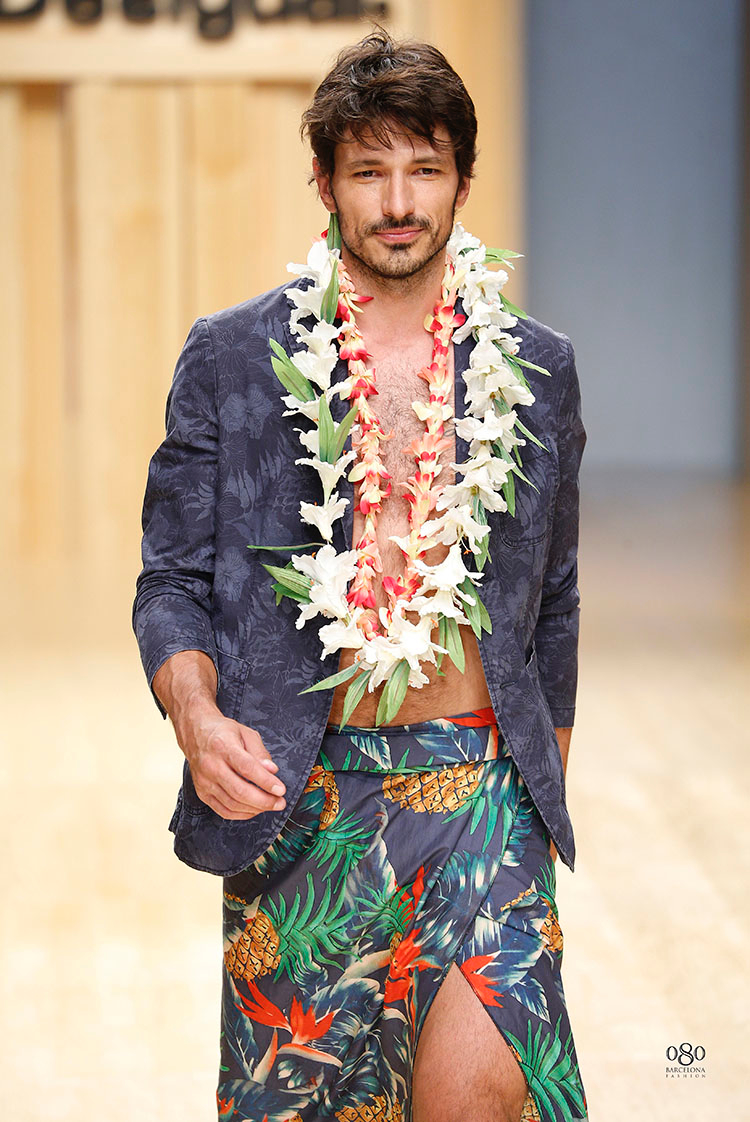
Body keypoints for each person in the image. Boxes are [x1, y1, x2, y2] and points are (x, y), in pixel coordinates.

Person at [133, 29, 588, 1122]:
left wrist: (540, 796)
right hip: (303, 795)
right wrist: (196, 716)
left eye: (424, 169)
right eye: (368, 170)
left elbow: (556, 596)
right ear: (325, 182)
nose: (397, 202)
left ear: (463, 182)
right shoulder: (232, 359)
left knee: (480, 1095)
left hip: (480, 792)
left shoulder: (537, 368)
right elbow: (170, 580)